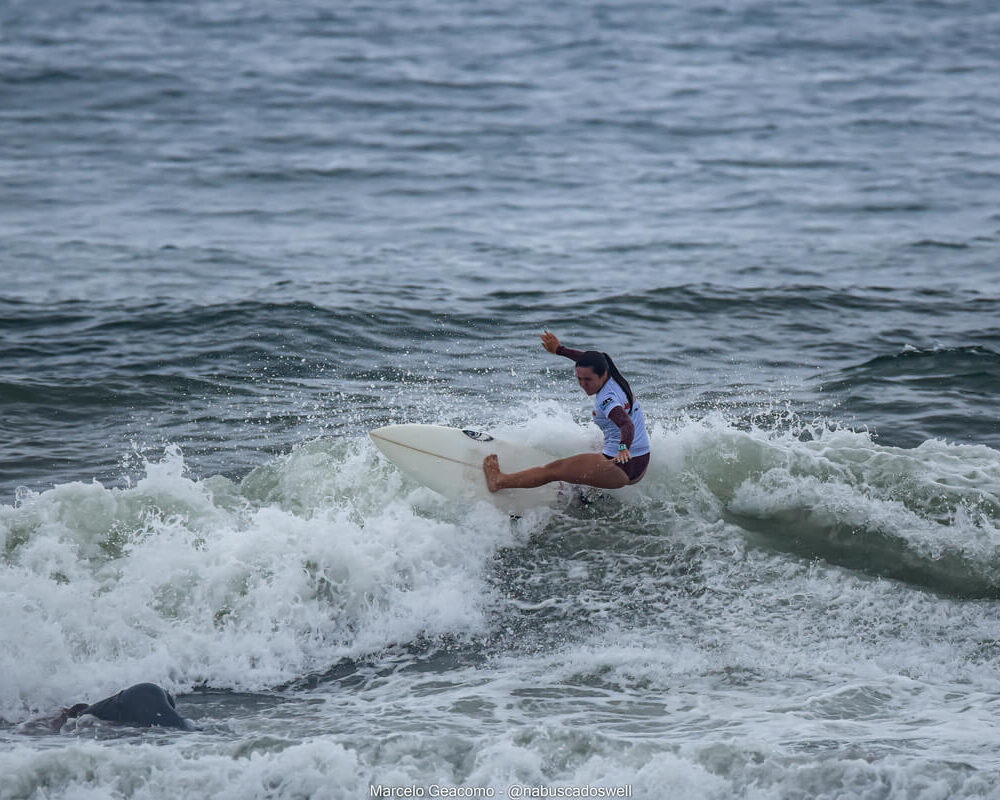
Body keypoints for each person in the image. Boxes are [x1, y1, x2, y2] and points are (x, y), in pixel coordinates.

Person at [483, 331, 650, 492]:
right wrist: (559, 350)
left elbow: (626, 424)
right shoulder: (611, 374)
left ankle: (498, 481)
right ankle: (585, 497)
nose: (583, 384)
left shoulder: (607, 400)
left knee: (553, 470)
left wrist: (622, 448)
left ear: (603, 374)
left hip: (618, 466)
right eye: (579, 378)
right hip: (641, 462)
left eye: (588, 380)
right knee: (593, 445)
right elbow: (585, 360)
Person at [19, 683, 192, 733]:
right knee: (181, 727)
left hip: (141, 696)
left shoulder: (85, 715)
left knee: (179, 728)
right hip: (151, 693)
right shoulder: (95, 712)